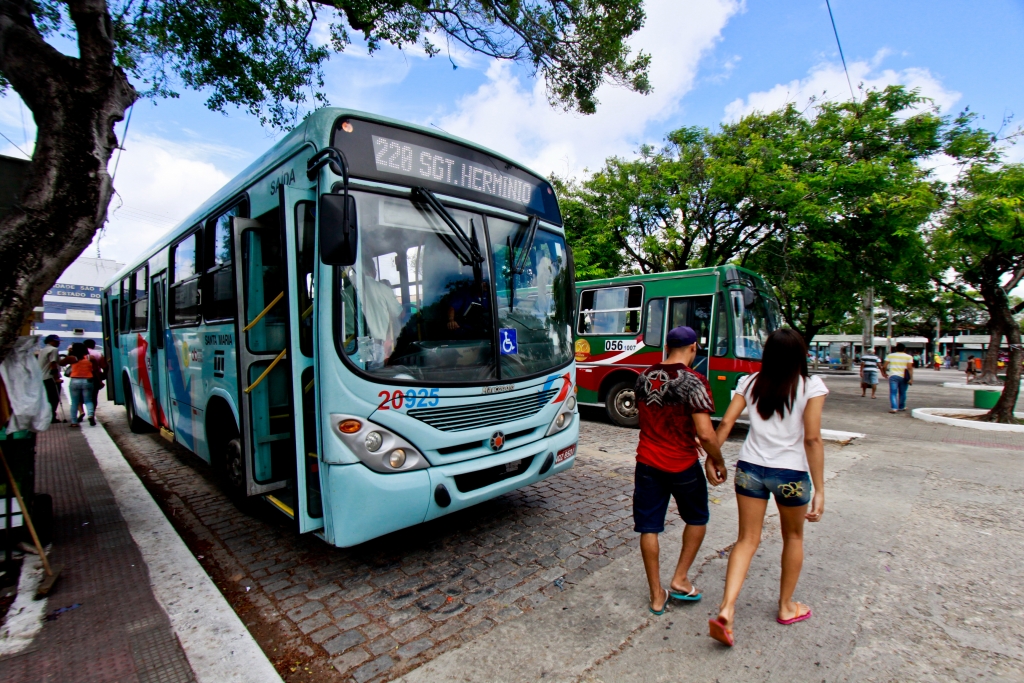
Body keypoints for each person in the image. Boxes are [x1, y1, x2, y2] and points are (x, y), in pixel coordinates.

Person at [709, 328, 827, 647]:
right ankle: (787, 607)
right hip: (790, 473)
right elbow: (813, 438)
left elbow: (726, 423)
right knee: (793, 536)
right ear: (800, 355)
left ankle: (727, 608)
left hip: (750, 469)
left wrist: (713, 458)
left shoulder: (749, 382)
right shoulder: (810, 386)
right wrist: (820, 489)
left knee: (746, 540)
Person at [632, 326, 727, 615]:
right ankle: (680, 578)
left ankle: (656, 594)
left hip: (647, 462)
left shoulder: (643, 378)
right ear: (694, 347)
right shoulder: (695, 381)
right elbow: (707, 434)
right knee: (697, 518)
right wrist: (718, 460)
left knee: (649, 528)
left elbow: (649, 420)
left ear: (666, 346)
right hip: (682, 464)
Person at [61, 342, 98, 427]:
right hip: (88, 380)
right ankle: (90, 415)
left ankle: (74, 422)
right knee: (88, 400)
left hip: (75, 380)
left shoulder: (72, 358)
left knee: (74, 402)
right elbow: (96, 370)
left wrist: (70, 353)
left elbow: (61, 363)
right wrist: (99, 381)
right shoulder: (90, 358)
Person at [882, 343, 914, 413]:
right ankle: (901, 407)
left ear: (896, 348)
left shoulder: (890, 355)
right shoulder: (909, 357)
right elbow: (909, 368)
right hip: (904, 377)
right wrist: (911, 378)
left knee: (893, 393)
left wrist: (884, 373)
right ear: (905, 349)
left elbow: (884, 366)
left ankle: (894, 408)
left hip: (893, 376)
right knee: (903, 393)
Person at [37, 334, 62, 422]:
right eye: (56, 341)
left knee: (47, 398)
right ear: (50, 341)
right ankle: (51, 417)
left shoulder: (42, 350)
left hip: (43, 377)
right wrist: (56, 378)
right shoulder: (53, 350)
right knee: (54, 398)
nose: (58, 343)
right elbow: (53, 364)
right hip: (50, 377)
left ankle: (46, 416)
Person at [83, 339, 107, 412]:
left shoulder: (78, 354)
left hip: (79, 377)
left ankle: (81, 412)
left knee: (78, 398)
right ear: (93, 345)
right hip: (93, 377)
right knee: (93, 397)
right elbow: (104, 366)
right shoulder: (97, 353)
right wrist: (104, 375)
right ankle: (91, 413)